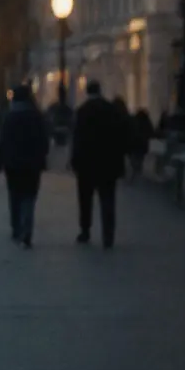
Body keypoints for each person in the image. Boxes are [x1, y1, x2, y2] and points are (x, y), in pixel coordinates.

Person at [69, 81, 128, 248]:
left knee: (85, 199)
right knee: (108, 199)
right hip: (108, 163)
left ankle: (85, 230)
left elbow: (77, 138)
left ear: (87, 92)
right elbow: (120, 136)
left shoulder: (82, 111)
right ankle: (108, 235)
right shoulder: (111, 110)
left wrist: (74, 160)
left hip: (86, 163)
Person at [0, 85, 50, 248]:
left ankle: (16, 227)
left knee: (15, 196)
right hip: (33, 164)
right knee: (29, 197)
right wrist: (43, 156)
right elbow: (43, 139)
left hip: (13, 163)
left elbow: (2, 141)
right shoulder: (36, 116)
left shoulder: (9, 116)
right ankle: (27, 228)